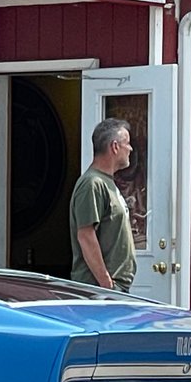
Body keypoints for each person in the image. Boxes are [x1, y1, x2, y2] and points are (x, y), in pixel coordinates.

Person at [68, 118, 136, 292]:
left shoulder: (106, 182)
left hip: (111, 289)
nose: (130, 149)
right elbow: (85, 236)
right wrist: (106, 284)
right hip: (98, 291)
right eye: (127, 143)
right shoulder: (92, 184)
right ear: (114, 147)